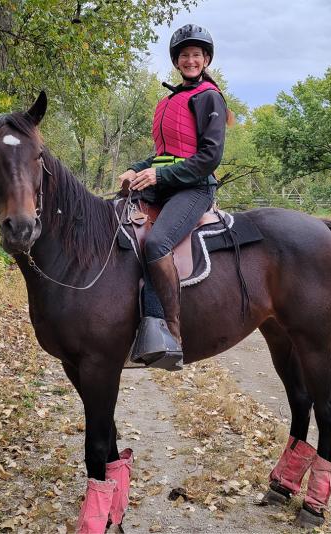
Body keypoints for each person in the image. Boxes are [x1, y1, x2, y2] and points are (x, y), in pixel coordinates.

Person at [118, 24, 230, 371]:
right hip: (166, 185)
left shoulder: (209, 97)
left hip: (195, 187)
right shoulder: (170, 100)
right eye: (184, 55)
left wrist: (160, 175)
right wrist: (135, 169)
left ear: (206, 59)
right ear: (176, 61)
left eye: (196, 55)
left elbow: (209, 157)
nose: (190, 60)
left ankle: (170, 333)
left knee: (157, 243)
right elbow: (163, 155)